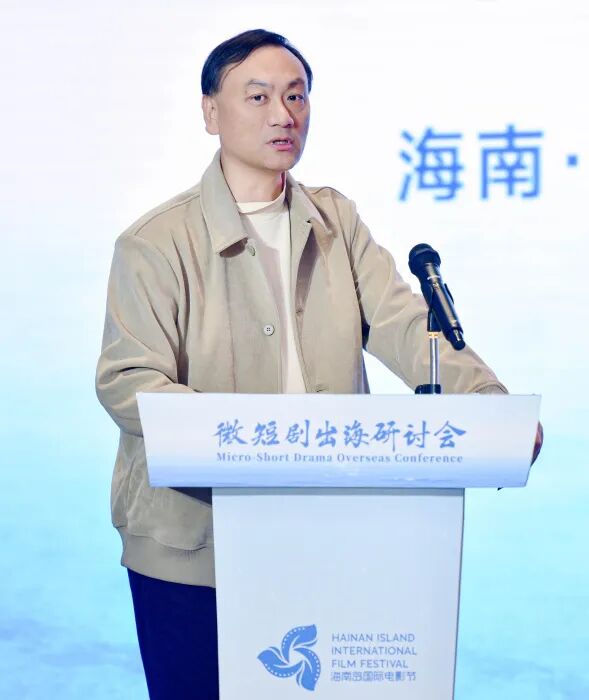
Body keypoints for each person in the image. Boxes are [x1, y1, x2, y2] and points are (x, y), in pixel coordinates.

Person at [95, 28, 541, 700]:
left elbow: (405, 324)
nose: (283, 114)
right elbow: (127, 379)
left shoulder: (335, 221)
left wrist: (488, 406)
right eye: (259, 97)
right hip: (195, 547)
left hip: (327, 528)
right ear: (210, 112)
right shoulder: (154, 242)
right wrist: (237, 438)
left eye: (296, 96)